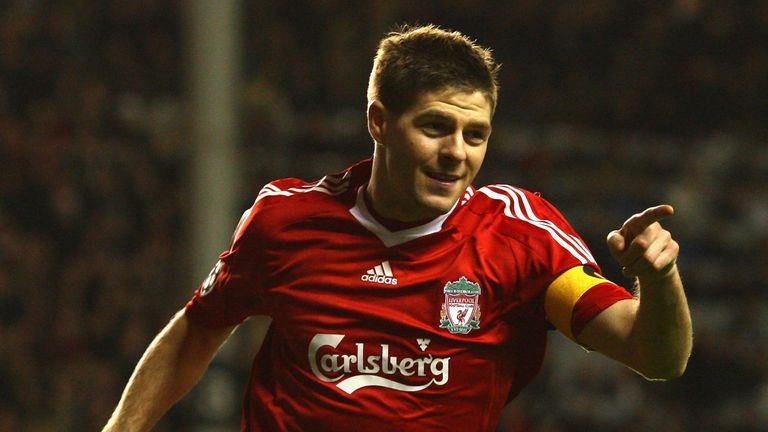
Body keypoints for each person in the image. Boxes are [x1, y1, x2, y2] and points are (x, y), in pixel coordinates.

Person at [102, 24, 692, 432]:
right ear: (379, 122)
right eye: (435, 127)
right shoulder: (286, 221)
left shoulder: (521, 239)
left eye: (475, 134)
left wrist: (659, 280)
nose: (456, 153)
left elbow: (654, 355)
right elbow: (194, 332)